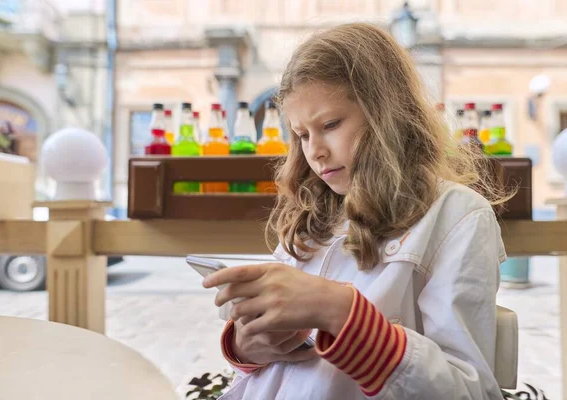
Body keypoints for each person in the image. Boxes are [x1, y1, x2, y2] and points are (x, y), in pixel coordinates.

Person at [203, 23, 508, 400]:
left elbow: (466, 390)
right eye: (301, 134)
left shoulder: (457, 215)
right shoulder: (312, 215)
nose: (314, 151)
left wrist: (341, 312)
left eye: (330, 124)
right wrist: (250, 345)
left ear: (386, 114)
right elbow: (265, 363)